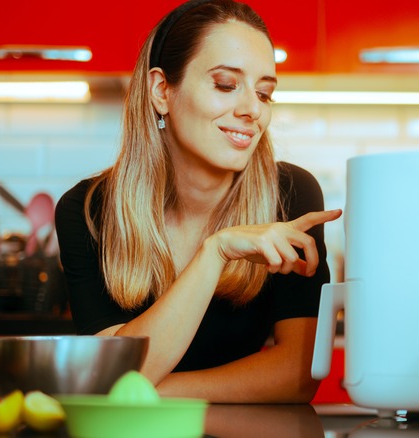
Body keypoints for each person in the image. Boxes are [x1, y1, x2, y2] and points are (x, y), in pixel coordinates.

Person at [54, 0, 341, 404]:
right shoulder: (87, 210)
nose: (252, 110)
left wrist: (155, 393)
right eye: (226, 85)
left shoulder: (289, 193)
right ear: (161, 91)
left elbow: (297, 372)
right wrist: (215, 252)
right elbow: (113, 373)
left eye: (264, 93)